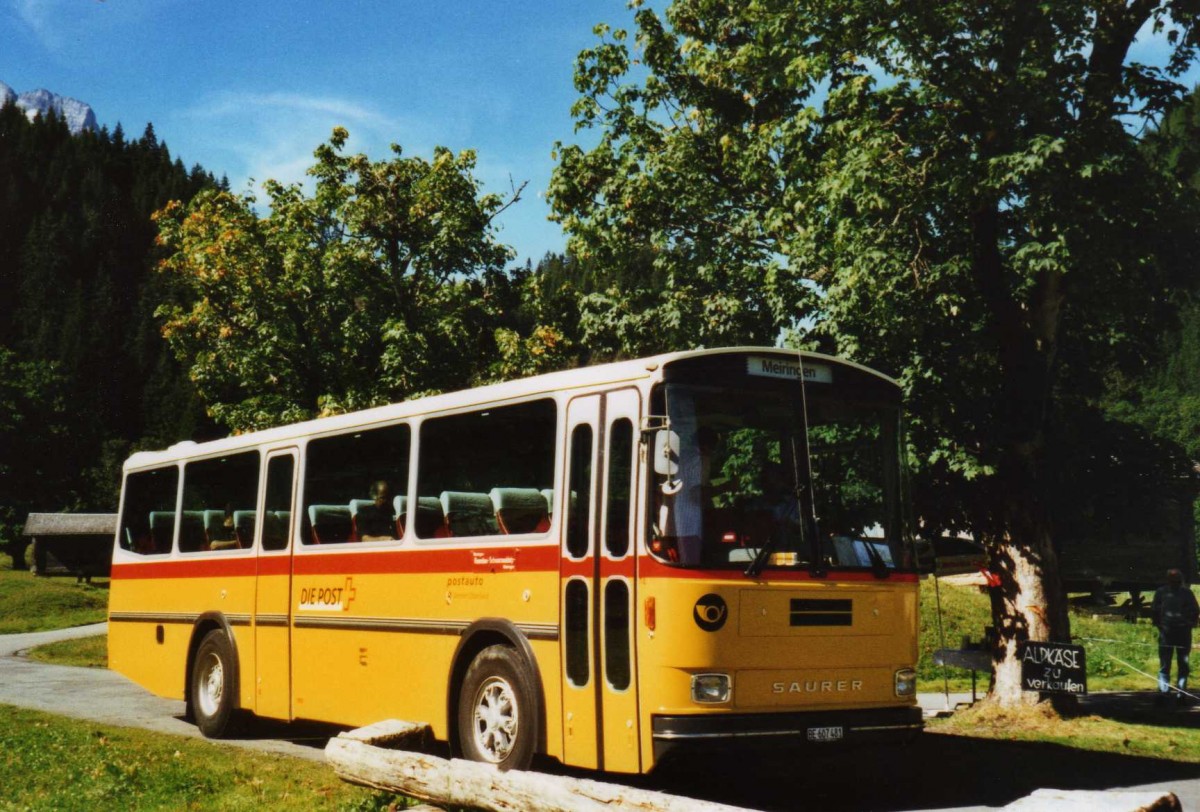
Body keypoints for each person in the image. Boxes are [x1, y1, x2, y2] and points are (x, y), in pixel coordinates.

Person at [1151, 568, 1200, 704]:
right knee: (1164, 664)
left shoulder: (1187, 593)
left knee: (1183, 663)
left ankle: (1181, 693)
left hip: (1183, 632)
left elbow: (1195, 610)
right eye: (1173, 581)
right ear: (1168, 581)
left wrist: (1190, 624)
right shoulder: (1161, 592)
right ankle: (1163, 692)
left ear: (1181, 581)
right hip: (1166, 631)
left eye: (1178, 581)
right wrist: (1159, 625)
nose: (1175, 583)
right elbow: (1155, 610)